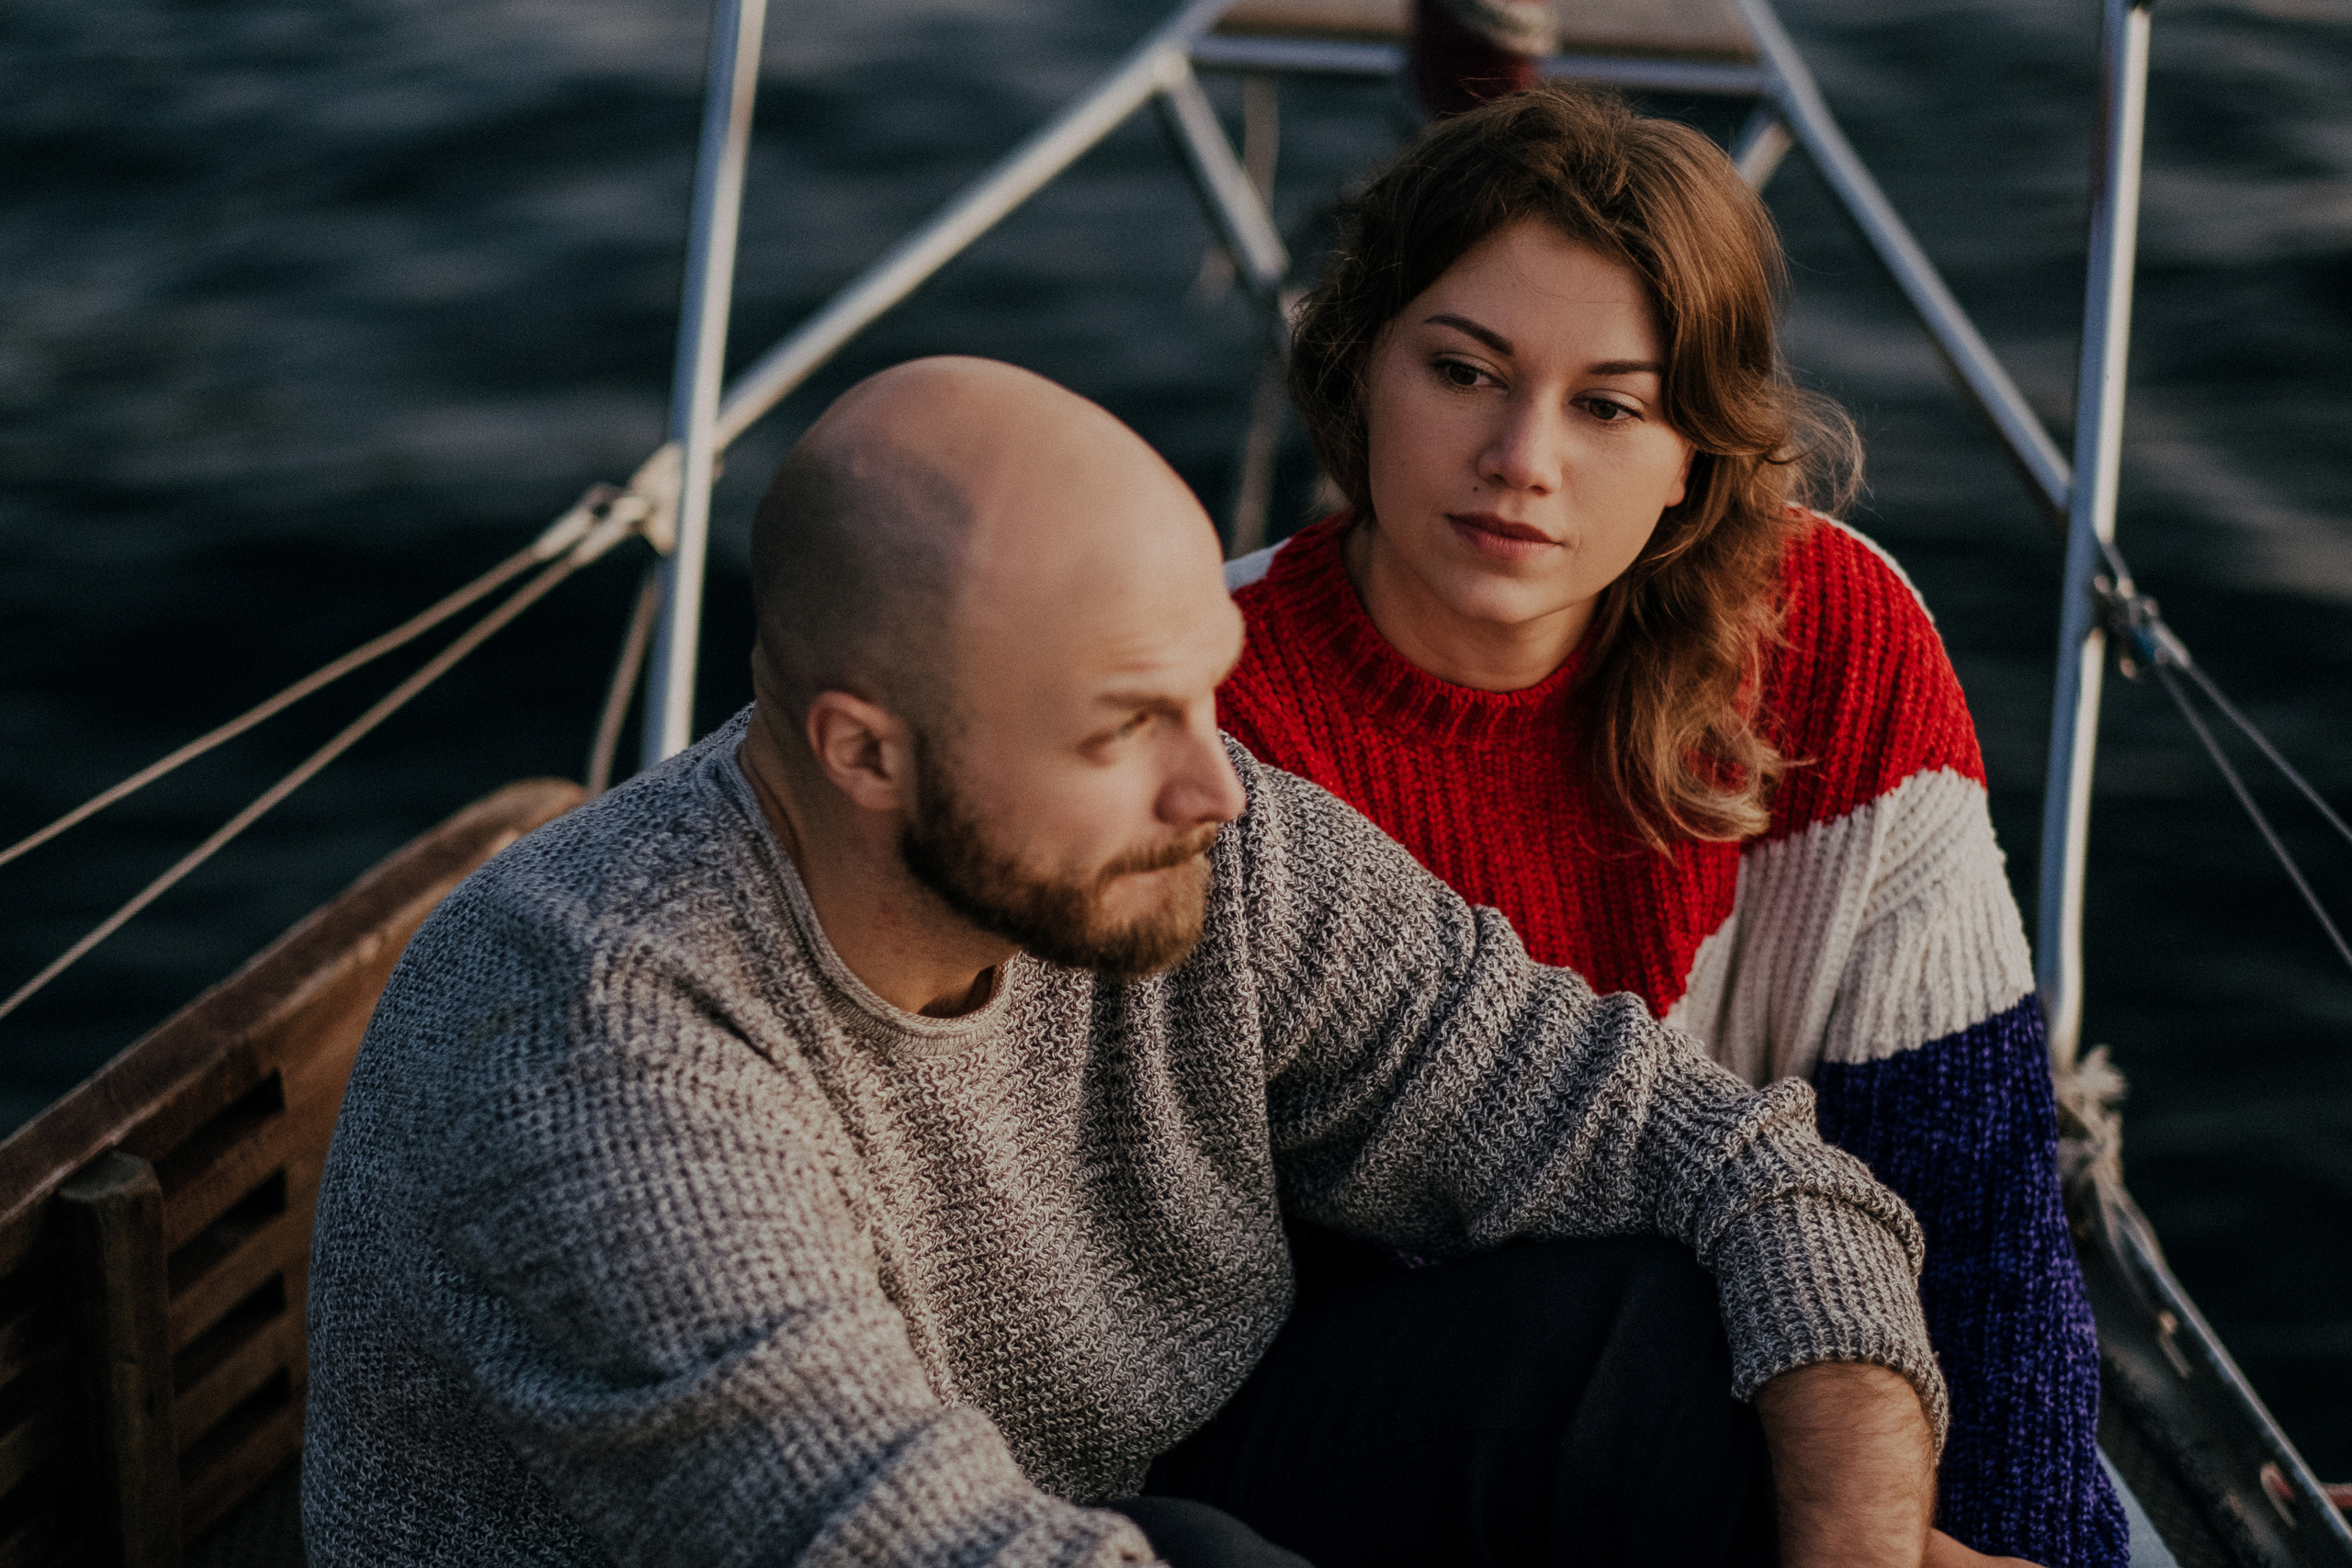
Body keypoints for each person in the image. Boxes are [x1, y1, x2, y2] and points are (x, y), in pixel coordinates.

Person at [306, 355, 1952, 1568]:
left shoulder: (1194, 854)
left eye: (1206, 689)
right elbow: (903, 1542)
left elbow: (1715, 1155)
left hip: (1116, 1482)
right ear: (864, 755)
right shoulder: (604, 1045)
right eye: (1123, 727)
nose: (1214, 783)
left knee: (1655, 1353)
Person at [1216, 86, 2125, 1568]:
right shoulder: (1212, 705)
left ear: (1698, 449)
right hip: (1345, 1434)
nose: (1523, 456)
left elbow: (1969, 1193)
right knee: (1649, 1332)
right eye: (1462, 371)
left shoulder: (1832, 637)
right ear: (1357, 365)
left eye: (1609, 405)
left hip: (1770, 1348)